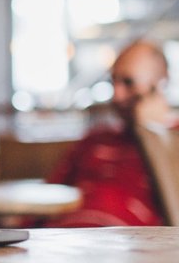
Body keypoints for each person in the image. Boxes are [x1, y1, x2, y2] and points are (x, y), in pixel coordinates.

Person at [43, 40, 172, 227]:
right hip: (66, 237)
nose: (117, 95)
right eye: (114, 81)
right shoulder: (95, 139)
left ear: (161, 84)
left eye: (128, 82)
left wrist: (150, 131)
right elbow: (48, 196)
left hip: (136, 248)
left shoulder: (173, 141)